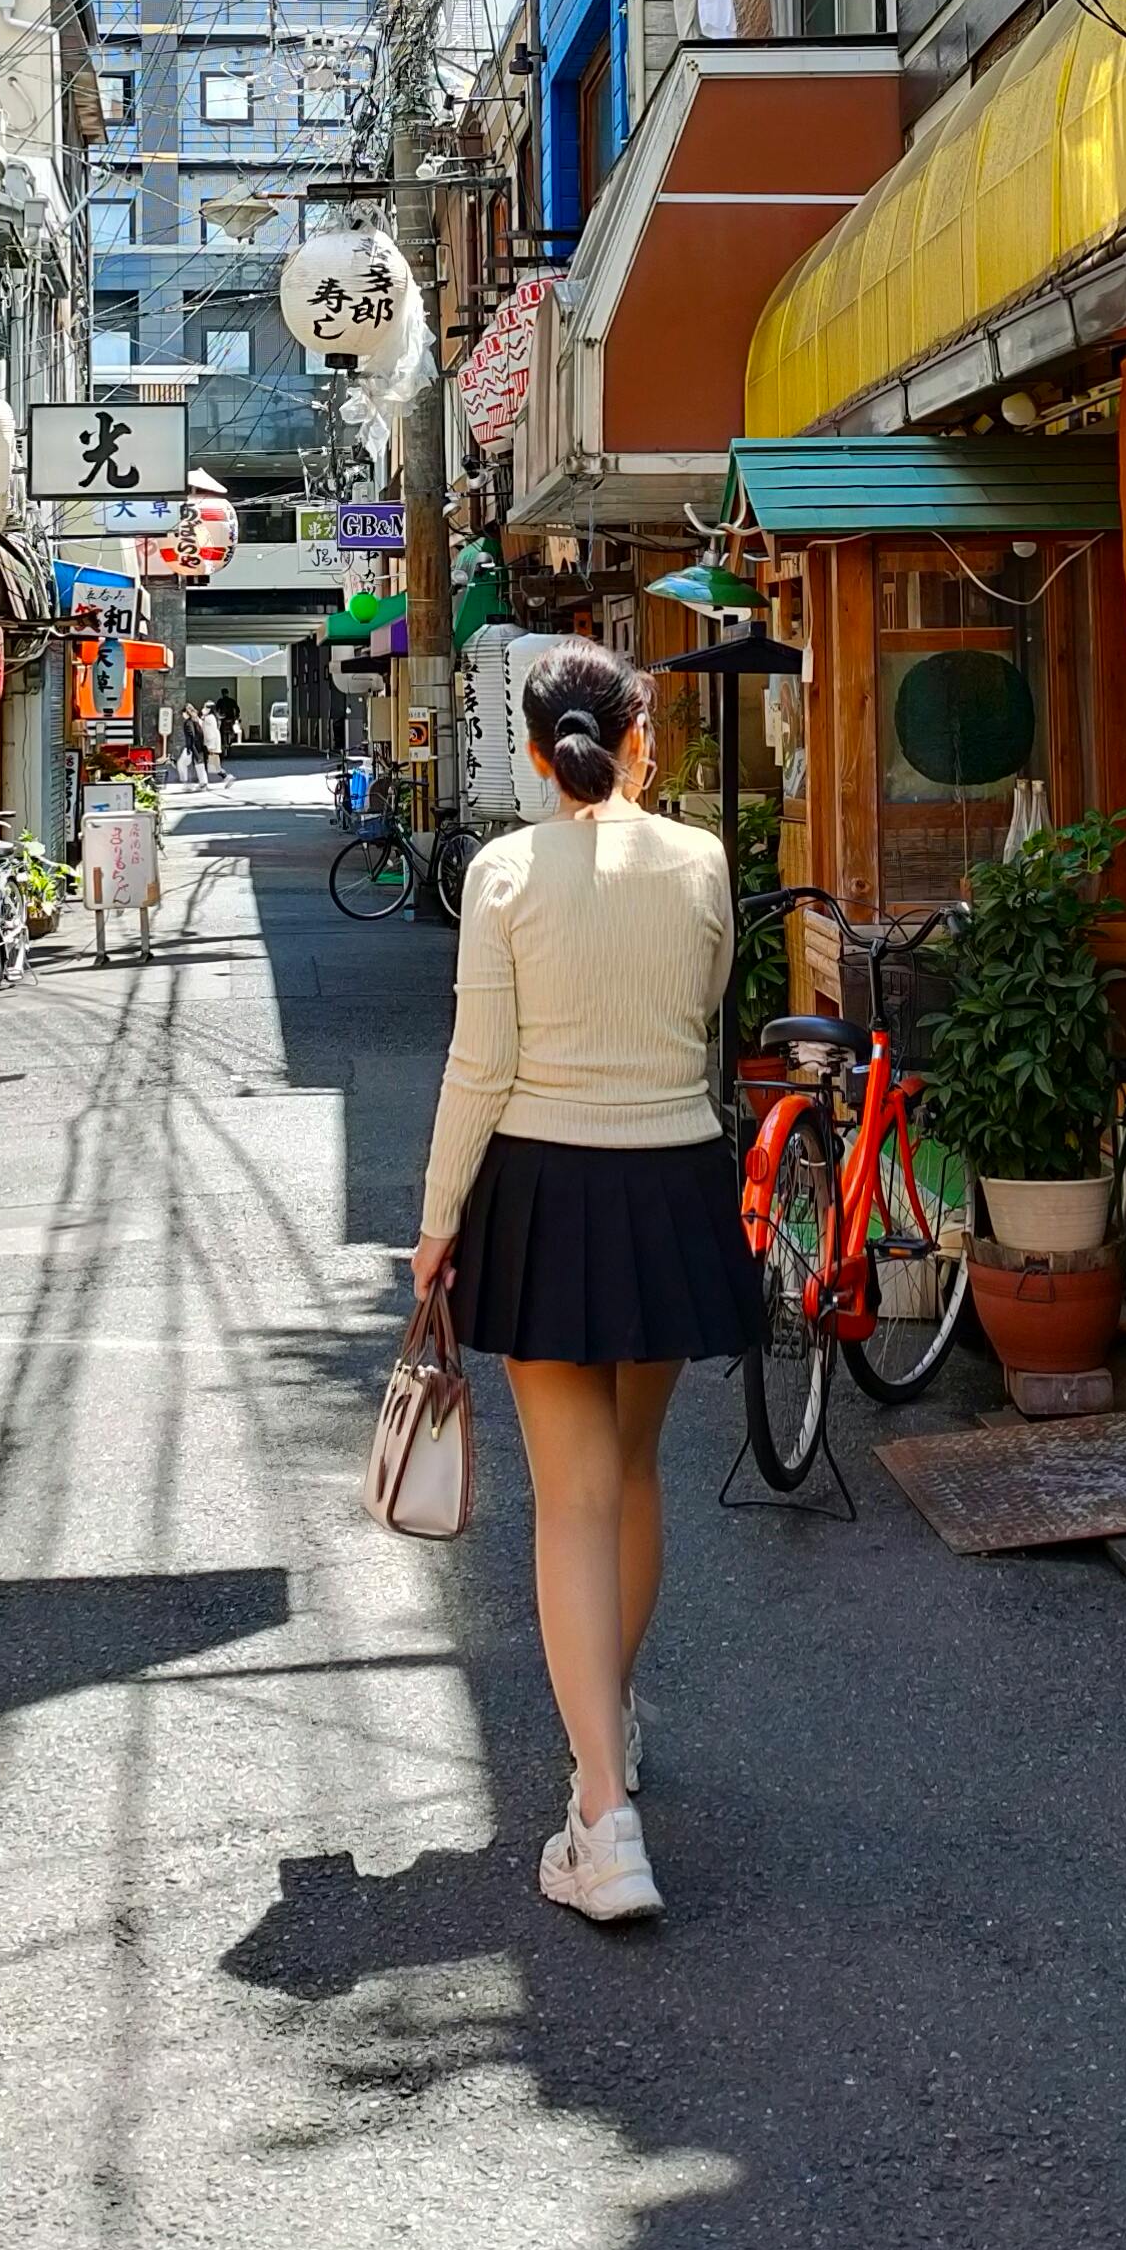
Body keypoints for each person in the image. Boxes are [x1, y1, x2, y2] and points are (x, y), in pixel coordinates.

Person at [409, 639, 756, 1926]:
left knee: (571, 1501)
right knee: (636, 1473)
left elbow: (477, 1066)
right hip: (672, 1177)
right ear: (640, 734)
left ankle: (603, 1815)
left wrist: (437, 1221)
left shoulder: (504, 872)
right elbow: (707, 1008)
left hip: (544, 1187)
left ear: (532, 740)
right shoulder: (704, 860)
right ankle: (606, 1734)